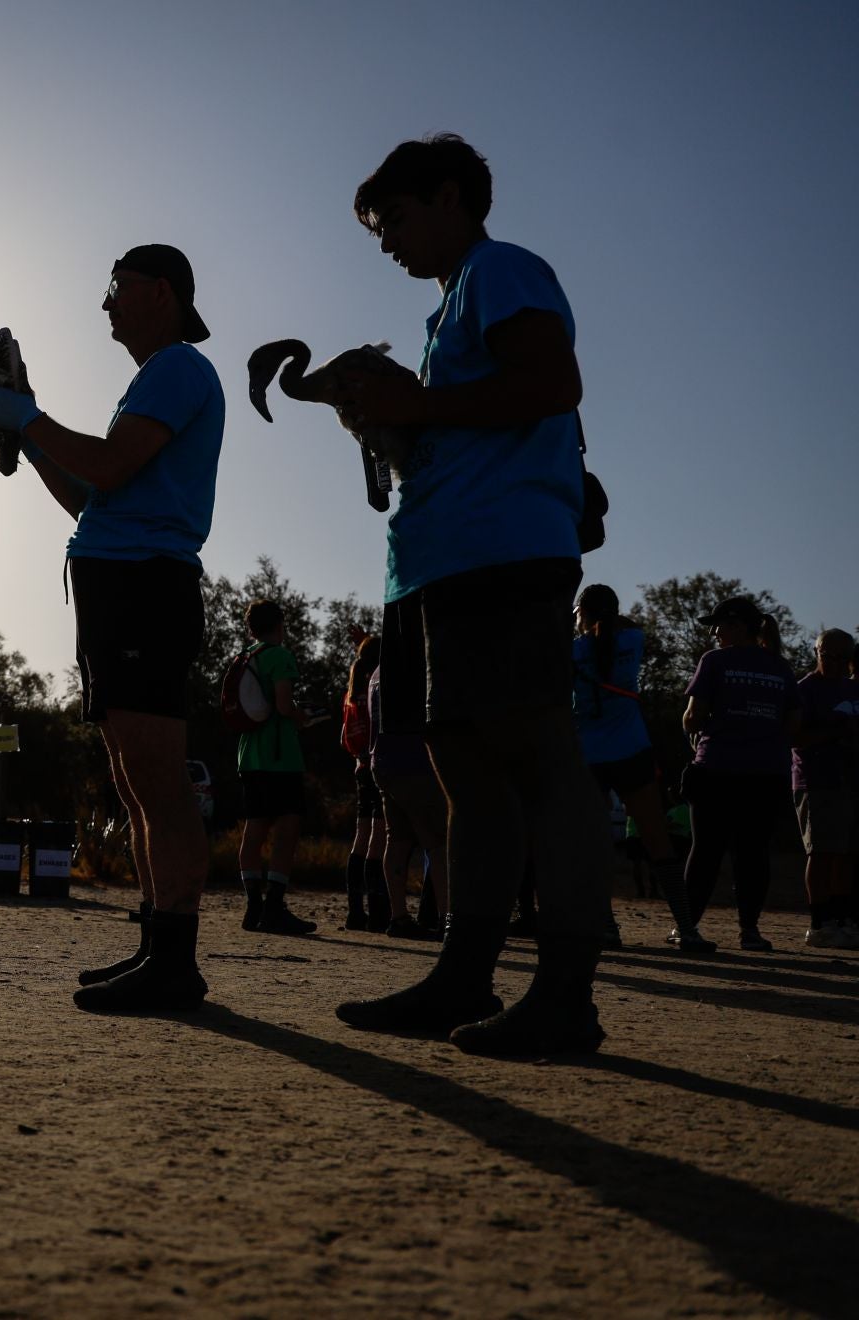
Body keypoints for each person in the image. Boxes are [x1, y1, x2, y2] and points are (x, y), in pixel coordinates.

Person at [332, 134, 611, 1056]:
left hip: (501, 553)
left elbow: (551, 382)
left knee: (535, 759)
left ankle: (567, 992)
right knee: (467, 776)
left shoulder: (502, 270)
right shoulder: (449, 307)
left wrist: (418, 409)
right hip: (439, 564)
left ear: (452, 198)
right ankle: (462, 977)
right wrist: (387, 421)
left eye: (396, 220)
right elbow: (471, 422)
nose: (386, 242)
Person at [0, 243, 224, 1012]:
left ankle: (177, 960)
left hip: (147, 584)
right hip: (119, 582)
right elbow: (91, 496)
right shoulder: (149, 382)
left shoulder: (179, 367)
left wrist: (30, 415)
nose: (106, 304)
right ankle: (157, 944)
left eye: (115, 288)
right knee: (132, 778)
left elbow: (109, 468)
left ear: (159, 291)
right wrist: (21, 425)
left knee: (156, 778)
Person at [569, 584, 711, 948]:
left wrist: (576, 625)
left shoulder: (571, 650)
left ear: (581, 612)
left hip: (588, 755)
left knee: (593, 843)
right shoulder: (632, 640)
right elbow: (626, 624)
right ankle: (686, 928)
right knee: (658, 841)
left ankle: (606, 925)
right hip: (633, 749)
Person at [680, 597, 801, 951]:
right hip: (766, 773)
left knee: (705, 851)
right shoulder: (780, 667)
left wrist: (695, 728)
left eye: (719, 625)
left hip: (716, 768)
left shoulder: (715, 661)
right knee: (753, 853)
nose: (715, 633)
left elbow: (693, 715)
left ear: (737, 625)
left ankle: (688, 928)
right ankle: (750, 931)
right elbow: (793, 724)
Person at [235, 600, 318, 936]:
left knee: (253, 832)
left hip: (249, 755)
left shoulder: (245, 657)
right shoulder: (280, 656)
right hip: (280, 758)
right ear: (280, 624)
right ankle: (274, 908)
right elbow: (284, 705)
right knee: (287, 832)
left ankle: (254, 905)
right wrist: (303, 717)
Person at [368, 660, 447, 940]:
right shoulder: (418, 667)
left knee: (396, 840)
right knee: (438, 842)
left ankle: (399, 916)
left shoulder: (377, 673)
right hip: (415, 763)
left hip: (382, 760)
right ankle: (447, 919)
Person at [791, 629, 857, 948]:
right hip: (817, 781)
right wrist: (836, 731)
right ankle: (820, 923)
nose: (834, 664)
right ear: (816, 651)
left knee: (845, 854)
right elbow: (794, 737)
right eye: (828, 656)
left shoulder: (853, 688)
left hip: (849, 781)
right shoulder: (804, 690)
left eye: (843, 659)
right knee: (821, 851)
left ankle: (844, 919)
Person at [340, 634, 387, 931]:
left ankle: (355, 910)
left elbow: (344, 738)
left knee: (362, 835)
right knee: (379, 836)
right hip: (376, 766)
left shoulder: (350, 693)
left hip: (359, 767)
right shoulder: (376, 685)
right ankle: (379, 911)